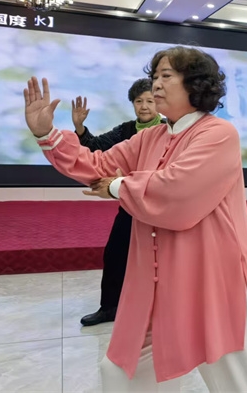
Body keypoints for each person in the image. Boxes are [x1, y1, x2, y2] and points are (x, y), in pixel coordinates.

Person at [23, 46, 247, 392]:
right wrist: (47, 135)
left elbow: (178, 192)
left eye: (167, 76)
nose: (157, 85)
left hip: (213, 275)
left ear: (195, 84)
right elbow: (98, 164)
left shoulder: (219, 133)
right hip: (156, 281)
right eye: (155, 77)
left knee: (244, 379)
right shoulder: (150, 136)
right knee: (121, 371)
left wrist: (117, 186)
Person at [73, 78, 163, 326]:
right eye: (139, 101)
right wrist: (80, 128)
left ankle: (161, 310)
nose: (144, 106)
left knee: (162, 260)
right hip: (130, 203)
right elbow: (95, 147)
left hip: (160, 206)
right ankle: (110, 308)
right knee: (115, 253)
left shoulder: (168, 130)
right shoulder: (126, 131)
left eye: (150, 101)